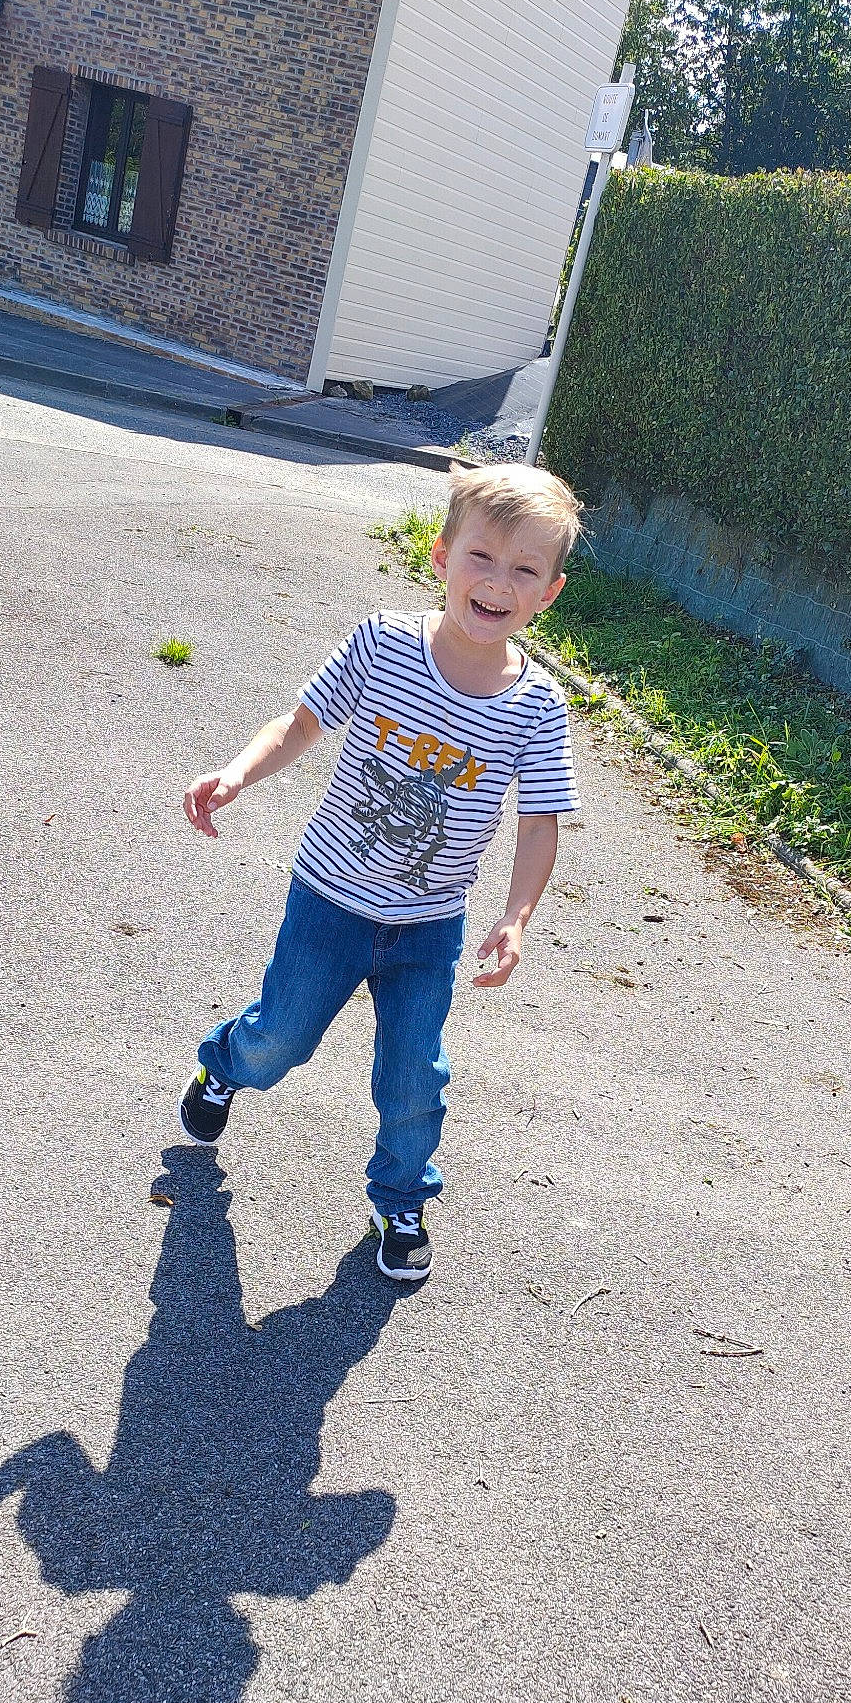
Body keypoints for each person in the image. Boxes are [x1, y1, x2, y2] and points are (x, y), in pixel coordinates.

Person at [177, 462, 583, 1284]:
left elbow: (539, 825)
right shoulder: (383, 643)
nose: (497, 582)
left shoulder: (537, 707)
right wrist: (237, 773)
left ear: (550, 592)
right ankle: (224, 1063)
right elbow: (301, 723)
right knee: (278, 1041)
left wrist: (516, 920)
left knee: (414, 1077)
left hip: (429, 927)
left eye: (524, 570)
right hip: (329, 900)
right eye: (482, 556)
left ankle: (401, 1194)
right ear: (440, 556)